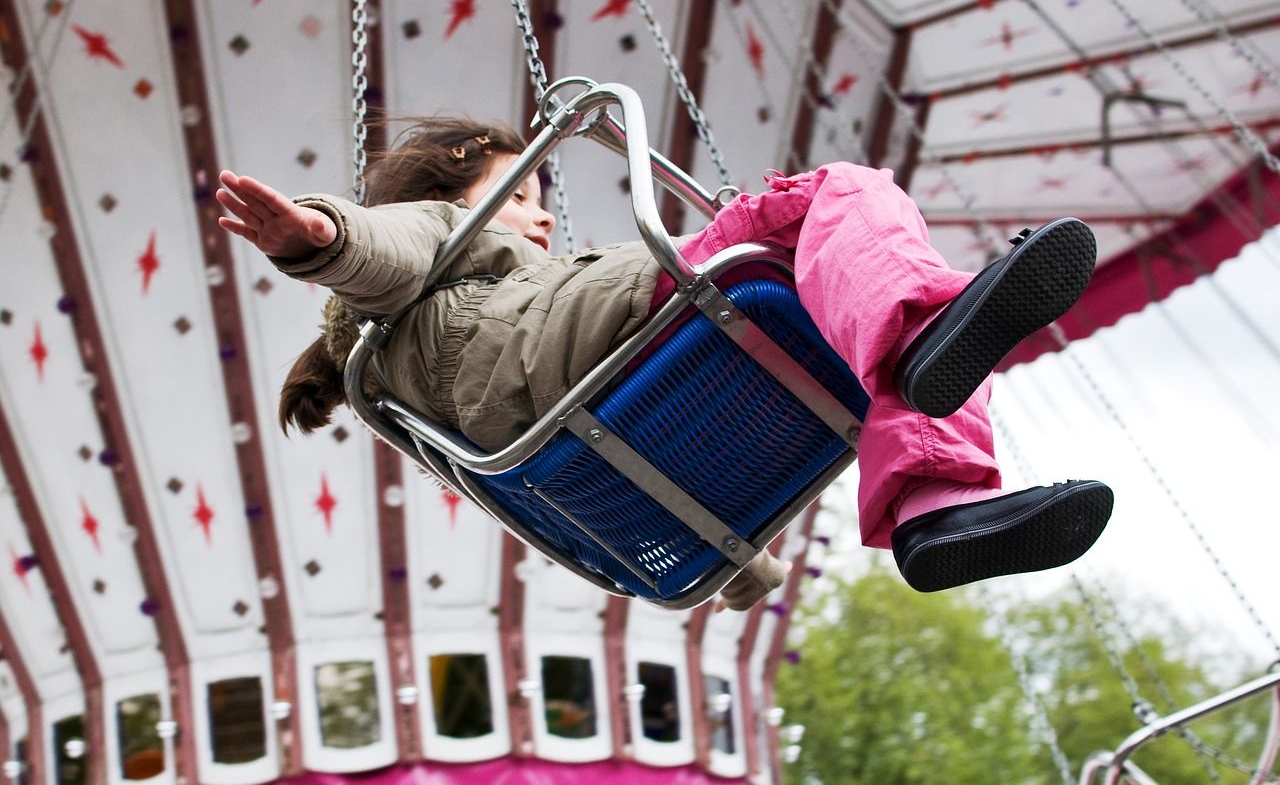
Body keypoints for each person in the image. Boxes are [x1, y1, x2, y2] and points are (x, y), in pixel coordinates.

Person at [215, 117, 1113, 608]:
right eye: (521, 193)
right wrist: (320, 234)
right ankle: (926, 379)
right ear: (447, 192)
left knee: (866, 313)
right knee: (843, 198)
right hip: (600, 345)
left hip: (629, 433)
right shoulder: (441, 253)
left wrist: (739, 564)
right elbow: (390, 245)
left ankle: (933, 510)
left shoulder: (410, 388)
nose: (541, 216)